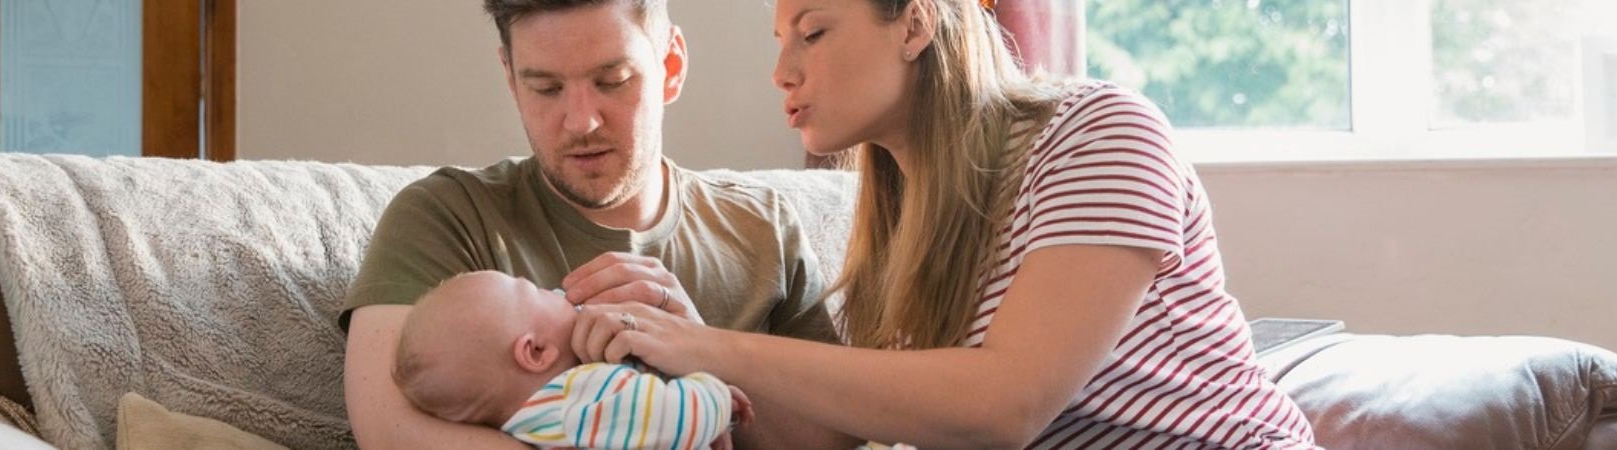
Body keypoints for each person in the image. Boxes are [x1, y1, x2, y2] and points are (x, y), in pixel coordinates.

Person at [570, 0, 1321, 448]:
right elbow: (830, 438)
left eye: (813, 32)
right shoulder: (892, 224)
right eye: (780, 43)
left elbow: (1006, 405)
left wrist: (714, 346)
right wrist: (688, 366)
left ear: (915, 24)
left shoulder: (1100, 133)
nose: (782, 72)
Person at [339, 1, 845, 448]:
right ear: (512, 80)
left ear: (671, 65)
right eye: (546, 87)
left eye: (613, 81)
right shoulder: (449, 216)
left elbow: (836, 438)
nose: (581, 121)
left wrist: (706, 351)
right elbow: (390, 429)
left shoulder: (762, 226)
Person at [391, 271, 752, 449]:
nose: (555, 291)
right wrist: (715, 393)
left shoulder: (535, 422)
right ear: (535, 352)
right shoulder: (580, 394)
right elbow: (671, 417)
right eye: (536, 291)